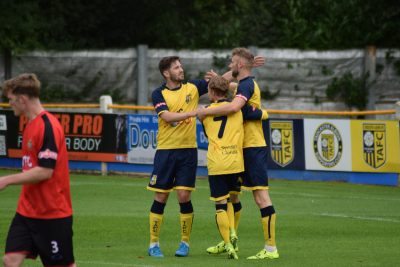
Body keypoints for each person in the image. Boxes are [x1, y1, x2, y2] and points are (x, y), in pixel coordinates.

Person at [198, 47, 279, 260]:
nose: (230, 65)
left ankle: (271, 248)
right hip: (240, 149)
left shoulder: (247, 85)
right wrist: (217, 79)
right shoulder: (242, 83)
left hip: (253, 147)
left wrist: (203, 111)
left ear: (240, 65)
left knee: (261, 197)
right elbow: (225, 83)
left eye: (232, 62)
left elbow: (234, 107)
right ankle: (229, 240)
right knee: (233, 196)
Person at [0, 73, 76, 267]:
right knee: (10, 259)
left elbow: (45, 171)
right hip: (27, 211)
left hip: (52, 213)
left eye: (10, 100)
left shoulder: (48, 126)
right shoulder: (30, 125)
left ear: (22, 99)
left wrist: (6, 180)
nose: (10, 104)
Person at [147, 56, 208, 258]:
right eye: (176, 67)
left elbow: (219, 83)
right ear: (166, 73)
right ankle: (153, 243)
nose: (181, 70)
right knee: (161, 196)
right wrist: (194, 113)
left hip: (188, 150)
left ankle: (185, 243)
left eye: (181, 66)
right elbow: (167, 117)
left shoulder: (193, 87)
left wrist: (236, 70)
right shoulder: (158, 94)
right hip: (166, 151)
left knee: (183, 195)